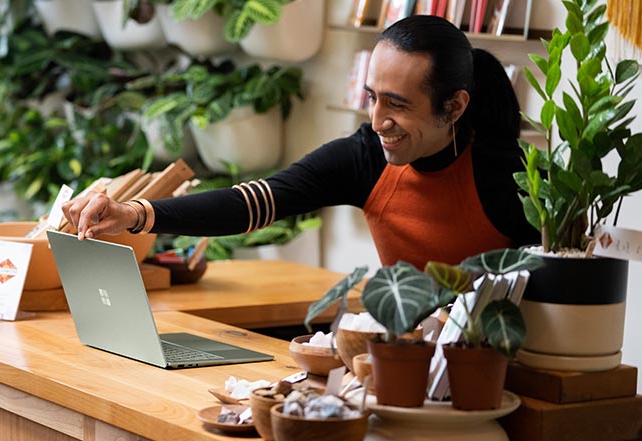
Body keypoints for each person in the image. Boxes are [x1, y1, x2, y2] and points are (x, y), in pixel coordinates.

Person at [62, 15, 540, 270]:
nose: (377, 121)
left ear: (453, 107)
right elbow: (256, 201)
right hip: (405, 357)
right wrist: (136, 215)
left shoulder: (511, 177)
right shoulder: (367, 158)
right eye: (372, 98)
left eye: (397, 104)